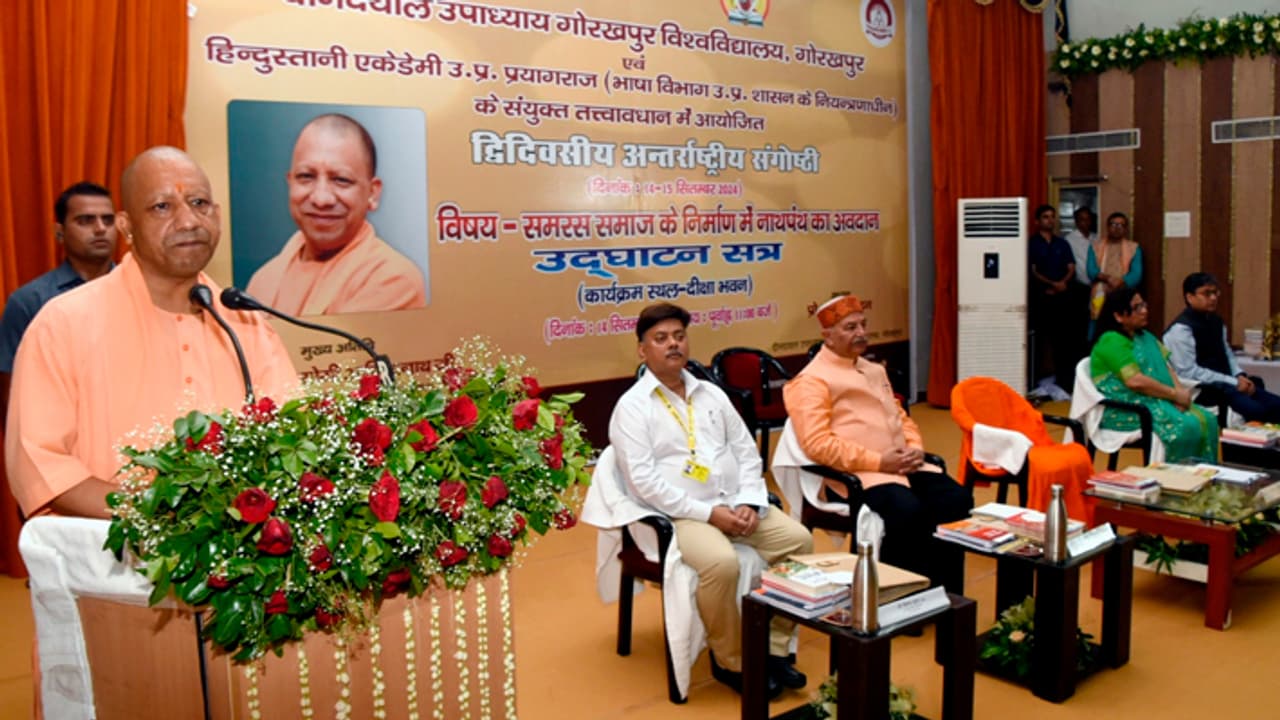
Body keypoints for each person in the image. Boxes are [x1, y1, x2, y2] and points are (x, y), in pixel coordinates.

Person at [5, 147, 298, 519]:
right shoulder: (63, 323)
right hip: (107, 559)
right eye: (162, 207)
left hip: (234, 557)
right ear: (126, 226)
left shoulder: (246, 323)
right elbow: (41, 461)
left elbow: (289, 438)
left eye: (199, 203)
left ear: (218, 215)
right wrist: (156, 518)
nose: (188, 220)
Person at [609, 303, 812, 699]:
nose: (673, 345)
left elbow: (746, 451)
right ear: (642, 350)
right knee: (722, 563)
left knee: (800, 542)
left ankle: (772, 647)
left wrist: (751, 502)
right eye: (661, 339)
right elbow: (645, 483)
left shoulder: (712, 395)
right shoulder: (632, 408)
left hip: (735, 502)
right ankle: (731, 660)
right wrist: (709, 514)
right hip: (681, 515)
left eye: (679, 336)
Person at [783, 295, 972, 593]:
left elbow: (900, 417)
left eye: (862, 324)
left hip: (904, 466)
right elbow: (817, 444)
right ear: (828, 337)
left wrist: (914, 447)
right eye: (849, 327)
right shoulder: (810, 381)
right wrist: (879, 462)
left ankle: (942, 589)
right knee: (906, 510)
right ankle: (903, 597)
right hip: (859, 476)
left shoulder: (874, 370)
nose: (860, 332)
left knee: (956, 499)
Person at [246, 113, 426, 316]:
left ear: (373, 193)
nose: (321, 199)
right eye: (306, 176)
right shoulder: (263, 281)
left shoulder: (393, 278)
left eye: (341, 179)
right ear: (290, 183)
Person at [0, 182, 118, 429]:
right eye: (86, 220)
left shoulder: (142, 291)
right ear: (59, 232)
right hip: (61, 439)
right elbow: (11, 397)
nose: (100, 229)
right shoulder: (31, 301)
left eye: (108, 220)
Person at [1090, 287, 1218, 462]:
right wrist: (1174, 395)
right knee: (1185, 425)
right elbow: (1134, 381)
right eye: (1136, 308)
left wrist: (1180, 394)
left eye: (1143, 305)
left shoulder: (1145, 337)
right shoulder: (1111, 340)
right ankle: (1174, 481)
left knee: (1209, 420)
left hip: (1155, 400)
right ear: (1118, 316)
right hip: (1125, 408)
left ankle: (1202, 478)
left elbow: (1166, 367)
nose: (1144, 311)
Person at [1164, 273, 1280, 423]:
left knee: (1276, 405)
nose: (1213, 298)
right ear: (1189, 297)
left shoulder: (1216, 321)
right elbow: (1189, 372)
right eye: (1207, 293)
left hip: (1228, 384)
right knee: (1257, 411)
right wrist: (1233, 382)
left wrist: (1239, 375)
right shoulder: (1180, 330)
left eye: (1215, 292)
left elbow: (1227, 353)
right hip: (1205, 390)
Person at [1028, 204, 1078, 393]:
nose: (1050, 220)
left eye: (1052, 217)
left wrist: (1061, 283)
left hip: (1062, 299)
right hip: (1041, 299)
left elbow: (1071, 267)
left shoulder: (1062, 244)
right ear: (1037, 221)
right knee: (1038, 343)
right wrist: (1051, 284)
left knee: (1063, 343)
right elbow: (1032, 271)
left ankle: (1064, 382)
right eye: (1046, 217)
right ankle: (1033, 382)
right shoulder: (1032, 244)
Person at [1086, 211, 1143, 333]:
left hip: (1123, 292)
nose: (1117, 228)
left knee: (1122, 326)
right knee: (1098, 327)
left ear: (1126, 229)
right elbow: (1091, 271)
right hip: (1101, 291)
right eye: (1113, 224)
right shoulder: (1095, 246)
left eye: (1121, 225)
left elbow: (1136, 274)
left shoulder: (1134, 248)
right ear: (1107, 226)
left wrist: (1121, 281)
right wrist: (1107, 279)